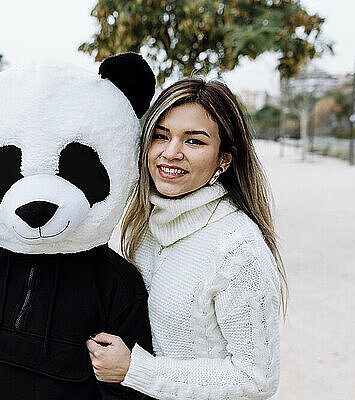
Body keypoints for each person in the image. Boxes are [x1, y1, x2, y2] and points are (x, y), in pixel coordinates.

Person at [86, 78, 287, 399]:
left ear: (225, 159)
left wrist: (136, 370)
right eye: (161, 136)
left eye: (194, 141)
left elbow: (257, 379)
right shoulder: (145, 226)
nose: (171, 152)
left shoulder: (237, 248)